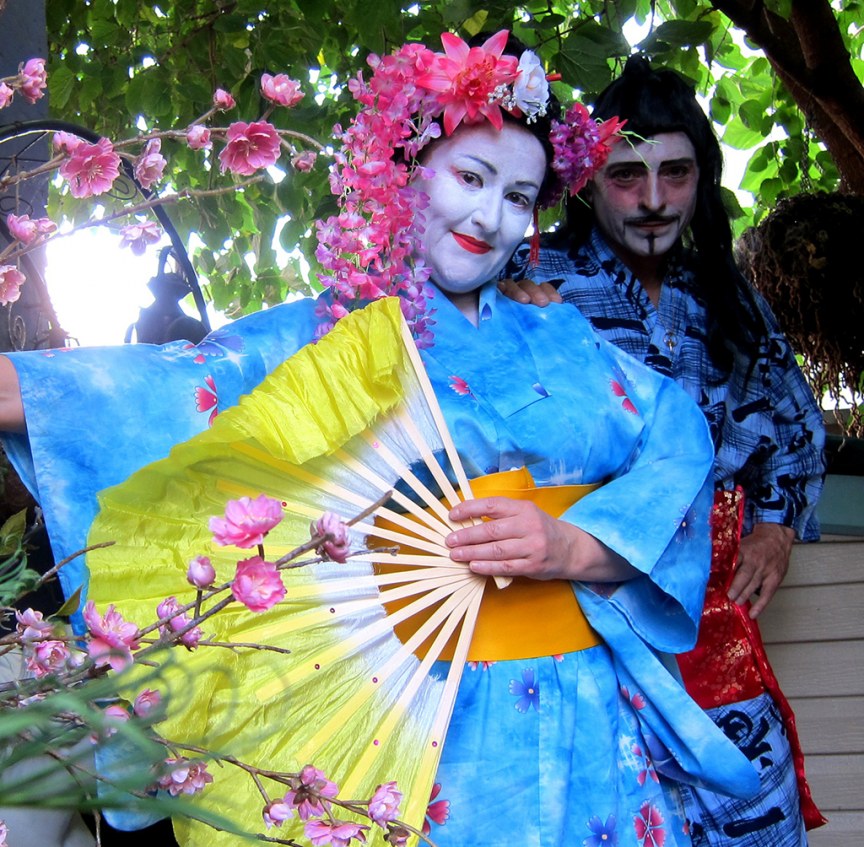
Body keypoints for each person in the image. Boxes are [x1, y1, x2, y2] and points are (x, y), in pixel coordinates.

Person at [0, 33, 760, 847]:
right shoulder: (329, 334)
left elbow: (677, 438)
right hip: (418, 725)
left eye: (517, 196)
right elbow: (150, 391)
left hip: (586, 724)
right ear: (405, 174)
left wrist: (576, 548)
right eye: (469, 178)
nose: (488, 216)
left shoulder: (565, 339)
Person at [503, 55, 826, 846]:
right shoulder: (529, 281)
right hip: (573, 619)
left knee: (755, 816)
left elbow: (797, 430)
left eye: (676, 173)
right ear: (584, 182)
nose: (653, 200)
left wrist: (777, 527)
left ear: (702, 175)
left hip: (711, 625)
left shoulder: (729, 297)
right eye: (626, 176)